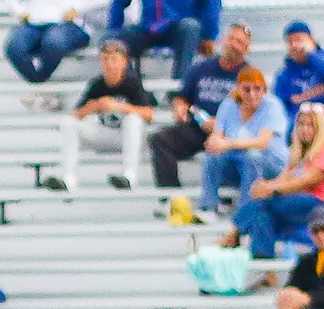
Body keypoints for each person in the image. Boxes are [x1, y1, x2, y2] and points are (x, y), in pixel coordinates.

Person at [147, 20, 257, 198]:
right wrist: (180, 105)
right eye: (232, 39)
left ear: (247, 49)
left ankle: (225, 199)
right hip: (198, 127)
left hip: (230, 134)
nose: (235, 45)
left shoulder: (250, 75)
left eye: (241, 43)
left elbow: (253, 111)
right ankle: (172, 198)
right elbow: (182, 96)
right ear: (223, 40)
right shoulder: (201, 68)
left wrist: (222, 125)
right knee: (160, 140)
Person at [54, 36, 149, 194]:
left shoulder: (133, 83)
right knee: (67, 123)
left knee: (133, 120)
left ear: (124, 62)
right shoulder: (97, 85)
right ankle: (68, 178)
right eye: (105, 59)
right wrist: (94, 107)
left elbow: (148, 114)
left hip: (127, 136)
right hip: (103, 134)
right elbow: (76, 114)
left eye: (114, 59)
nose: (109, 64)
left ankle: (129, 176)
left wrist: (119, 106)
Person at [194, 67, 286, 219]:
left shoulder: (272, 106)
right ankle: (208, 207)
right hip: (239, 162)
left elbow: (261, 143)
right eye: (246, 89)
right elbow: (217, 136)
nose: (252, 94)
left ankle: (246, 211)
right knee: (212, 157)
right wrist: (214, 143)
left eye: (257, 89)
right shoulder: (228, 105)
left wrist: (227, 143)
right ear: (238, 89)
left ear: (265, 89)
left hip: (270, 163)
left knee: (252, 156)